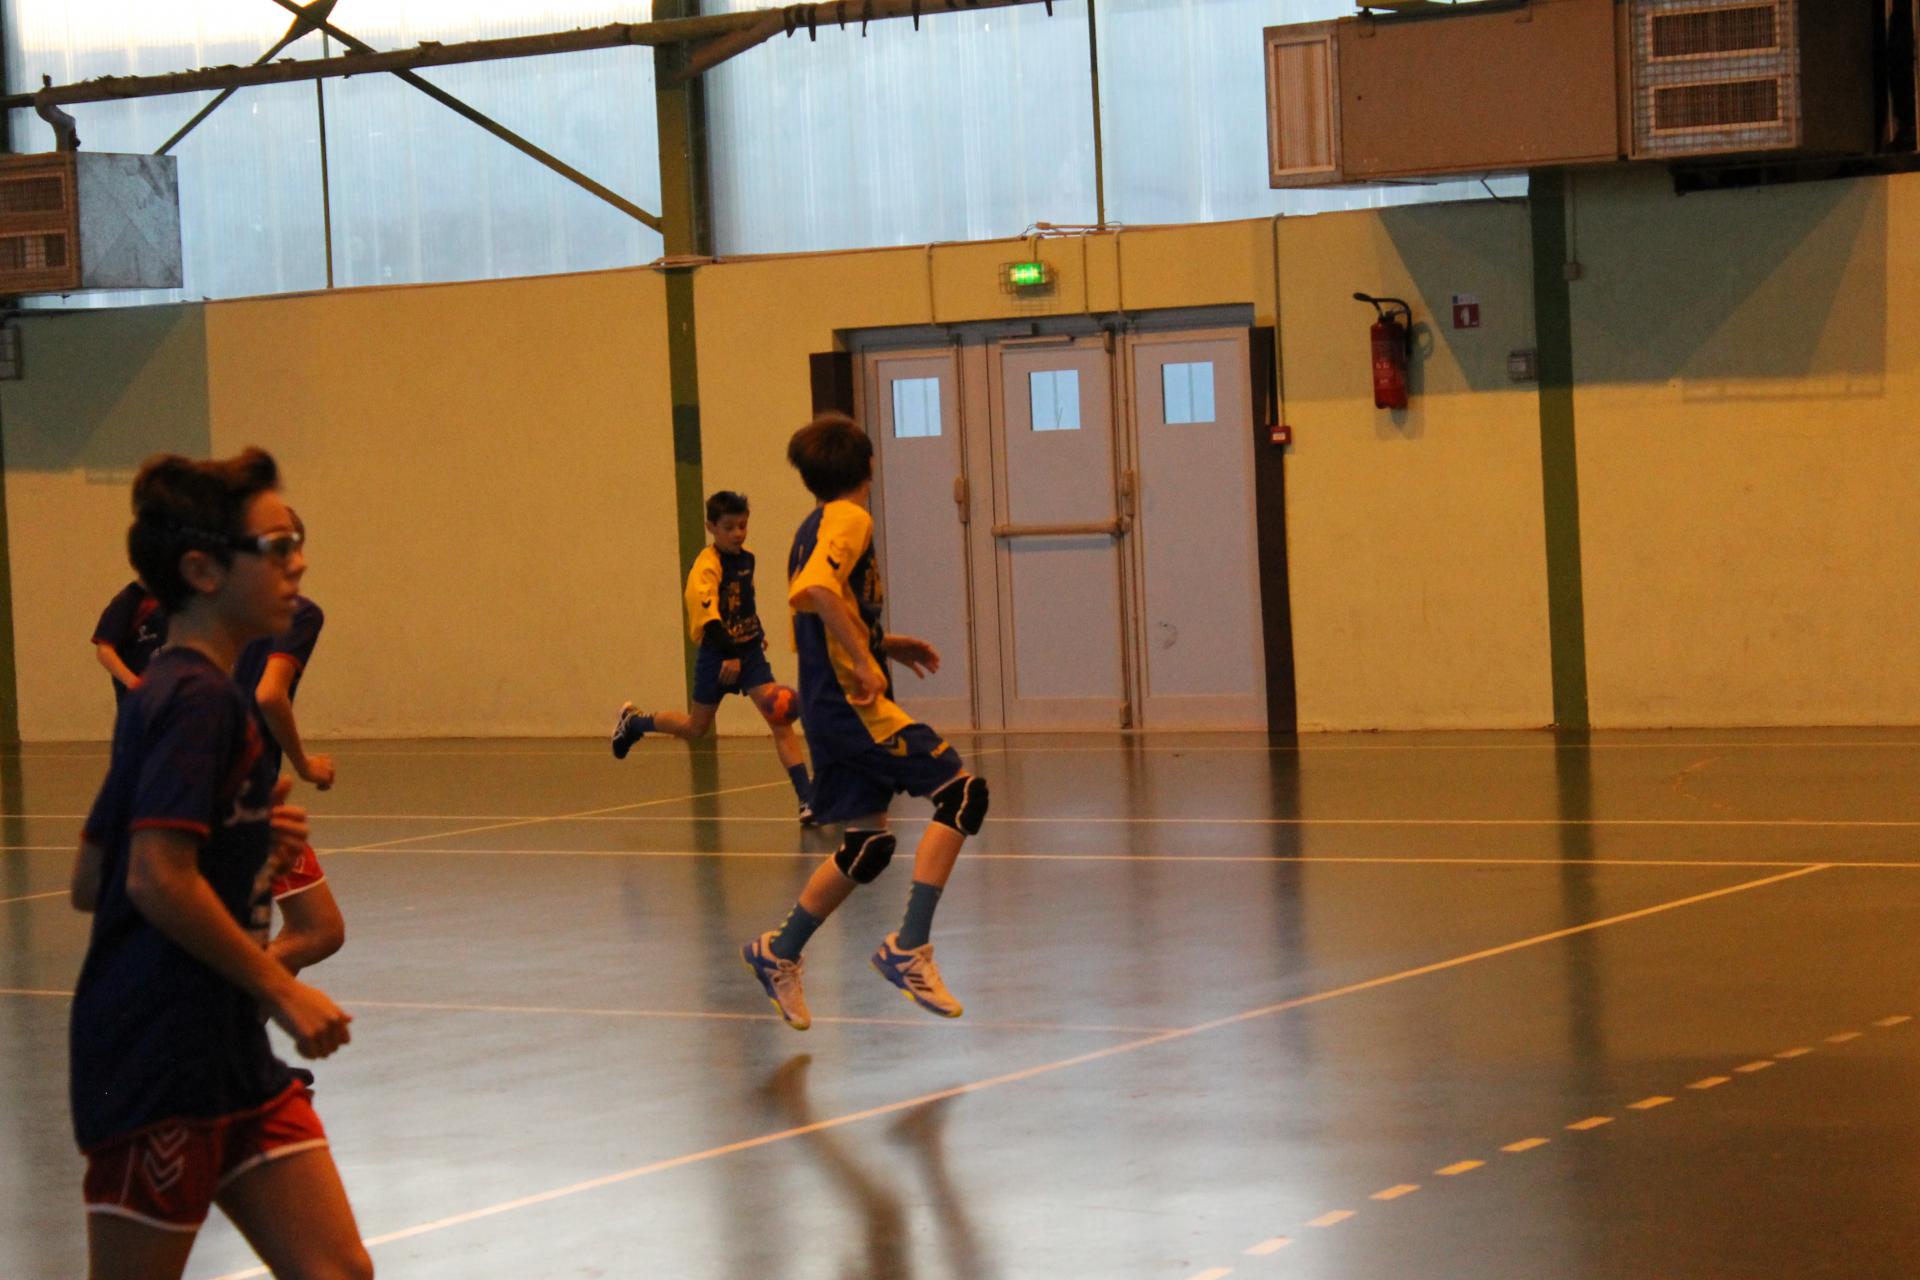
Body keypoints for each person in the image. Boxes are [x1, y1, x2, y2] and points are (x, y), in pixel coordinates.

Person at [67, 448, 371, 1280]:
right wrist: (283, 988)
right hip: (158, 1061)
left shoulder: (178, 694)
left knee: (338, 1270)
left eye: (296, 542)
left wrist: (241, 841)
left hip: (233, 1055)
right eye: (276, 547)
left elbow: (90, 877)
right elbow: (150, 879)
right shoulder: (194, 703)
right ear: (202, 571)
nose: (297, 562)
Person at [742, 414, 990, 1031]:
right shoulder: (850, 519)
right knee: (962, 795)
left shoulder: (811, 526)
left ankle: (779, 951)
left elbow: (820, 609)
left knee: (868, 846)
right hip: (851, 707)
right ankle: (909, 947)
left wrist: (882, 644)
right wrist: (862, 660)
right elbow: (818, 588)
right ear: (870, 465)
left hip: (826, 704)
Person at [612, 490, 816, 824]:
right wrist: (730, 656)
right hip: (717, 654)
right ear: (711, 527)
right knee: (696, 727)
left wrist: (757, 632)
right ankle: (634, 722)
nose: (738, 533)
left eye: (743, 525)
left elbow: (743, 602)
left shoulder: (747, 559)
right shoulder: (706, 567)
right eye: (729, 527)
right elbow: (710, 620)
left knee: (779, 719)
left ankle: (807, 799)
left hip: (748, 653)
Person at [232, 511, 345, 975]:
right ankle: (224, 992)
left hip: (200, 787)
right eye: (286, 548)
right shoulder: (297, 613)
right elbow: (269, 693)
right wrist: (303, 764)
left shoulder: (214, 615)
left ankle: (247, 1012)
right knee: (318, 930)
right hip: (247, 793)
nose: (299, 561)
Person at [91, 579, 167, 708]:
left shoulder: (181, 598)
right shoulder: (128, 601)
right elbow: (104, 650)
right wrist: (134, 683)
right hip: (142, 702)